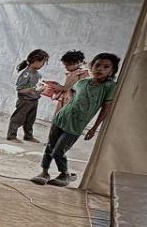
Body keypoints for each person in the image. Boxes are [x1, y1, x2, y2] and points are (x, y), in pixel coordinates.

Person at [31, 52, 120, 187]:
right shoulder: (83, 82)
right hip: (61, 118)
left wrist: (94, 128)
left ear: (112, 71)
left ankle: (65, 174)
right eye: (97, 65)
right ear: (92, 66)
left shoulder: (109, 87)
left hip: (76, 125)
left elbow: (106, 108)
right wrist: (70, 103)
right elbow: (71, 90)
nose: (100, 69)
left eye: (106, 67)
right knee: (50, 146)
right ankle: (44, 172)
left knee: (58, 150)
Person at [6, 49, 49, 143]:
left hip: (34, 100)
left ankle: (28, 136)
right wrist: (31, 89)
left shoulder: (38, 74)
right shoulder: (26, 74)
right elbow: (20, 90)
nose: (43, 65)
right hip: (25, 101)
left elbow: (37, 87)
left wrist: (42, 89)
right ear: (35, 60)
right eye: (42, 62)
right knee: (18, 119)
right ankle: (11, 135)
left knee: (30, 120)